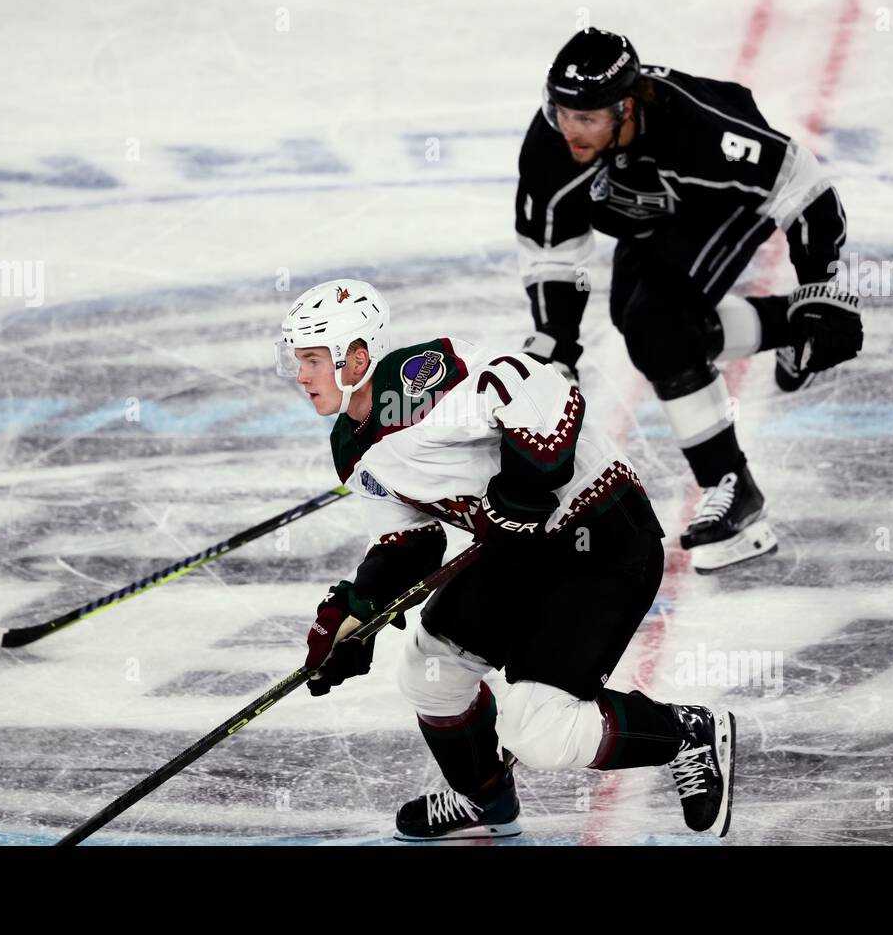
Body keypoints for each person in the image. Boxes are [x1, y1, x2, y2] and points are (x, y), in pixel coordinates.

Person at [275, 276, 735, 841]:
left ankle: (684, 732)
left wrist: (521, 493)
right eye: (297, 360)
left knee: (538, 730)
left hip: (601, 535)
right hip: (518, 548)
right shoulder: (350, 446)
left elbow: (546, 392)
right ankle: (484, 797)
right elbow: (410, 541)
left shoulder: (422, 383)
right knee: (429, 671)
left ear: (358, 357)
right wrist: (357, 613)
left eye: (314, 360)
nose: (300, 375)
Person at [515, 28, 863, 572]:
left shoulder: (699, 131)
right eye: (561, 112)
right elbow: (553, 253)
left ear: (626, 107)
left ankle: (735, 493)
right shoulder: (551, 147)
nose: (570, 131)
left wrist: (824, 288)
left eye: (586, 118)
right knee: (648, 330)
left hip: (717, 205)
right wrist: (557, 343)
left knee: (656, 326)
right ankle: (790, 326)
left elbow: (804, 187)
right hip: (654, 216)